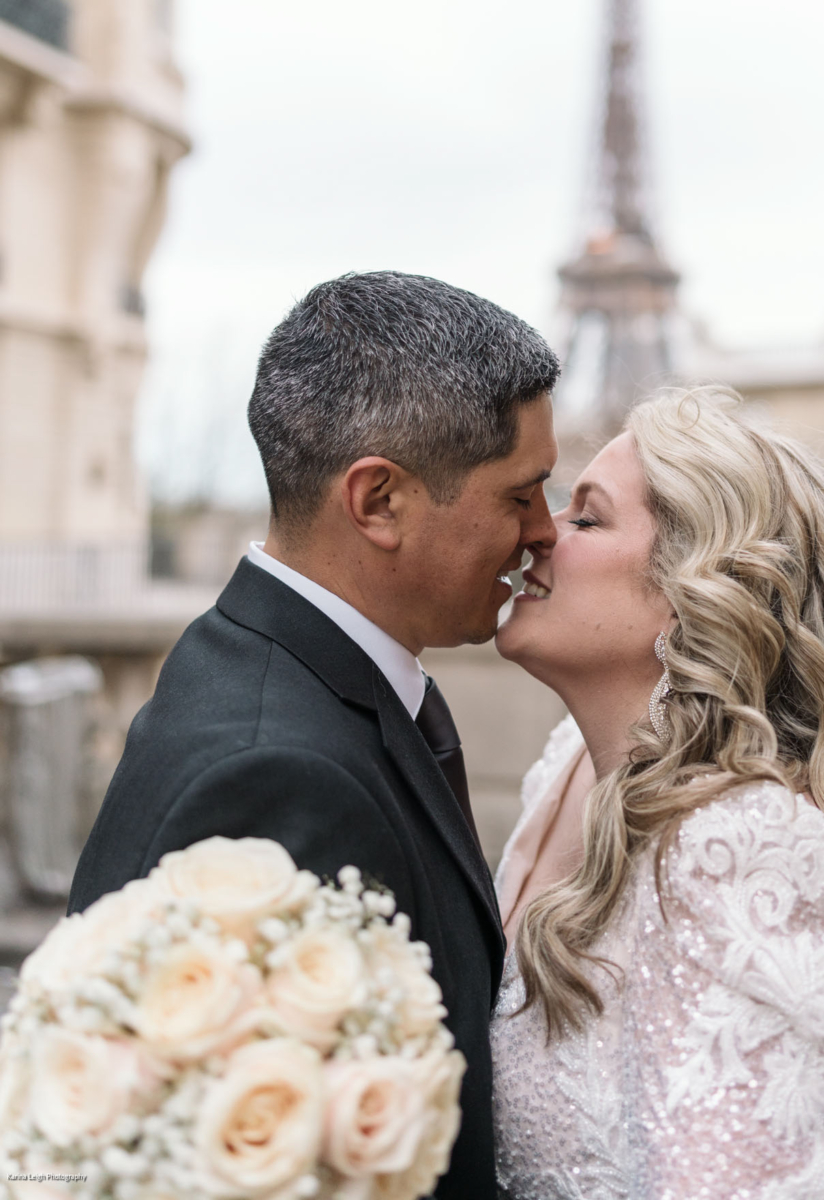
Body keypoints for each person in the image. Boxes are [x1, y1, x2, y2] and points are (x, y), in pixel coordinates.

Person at [68, 271, 560, 1200]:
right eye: (521, 494)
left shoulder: (259, 671)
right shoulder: (279, 779)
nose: (545, 532)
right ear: (378, 501)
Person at [491, 384, 824, 1200]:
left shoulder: (748, 849)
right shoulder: (565, 770)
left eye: (586, 518)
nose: (537, 533)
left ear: (695, 589)